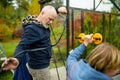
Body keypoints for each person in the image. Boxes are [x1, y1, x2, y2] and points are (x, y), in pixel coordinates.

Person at [1, 5, 67, 80]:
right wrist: (17, 59)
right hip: (40, 68)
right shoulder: (33, 29)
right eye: (50, 19)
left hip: (41, 64)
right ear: (42, 13)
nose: (51, 22)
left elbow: (48, 11)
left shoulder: (40, 22)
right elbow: (22, 46)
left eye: (53, 20)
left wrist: (57, 9)